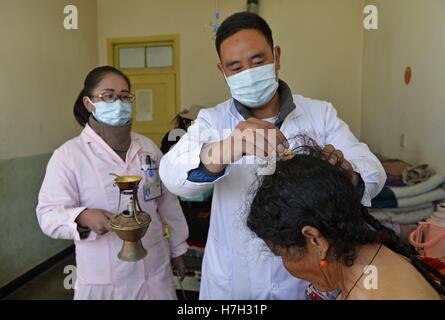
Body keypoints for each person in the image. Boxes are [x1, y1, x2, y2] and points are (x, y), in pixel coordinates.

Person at [159, 12, 386, 299]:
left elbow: (372, 171)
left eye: (257, 61)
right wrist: (225, 149)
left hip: (304, 281)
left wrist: (348, 176)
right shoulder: (212, 121)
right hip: (234, 282)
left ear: (276, 56)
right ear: (222, 71)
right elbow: (172, 175)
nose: (248, 74)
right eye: (235, 67)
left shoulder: (320, 114)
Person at [36, 66, 189, 300]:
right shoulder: (69, 155)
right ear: (89, 103)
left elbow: (167, 202)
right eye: (108, 96)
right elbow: (47, 214)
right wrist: (82, 216)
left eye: (124, 96)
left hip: (155, 270)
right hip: (105, 281)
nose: (118, 102)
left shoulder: (147, 148)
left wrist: (178, 248)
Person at [247, 145, 445, 300]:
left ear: (316, 241)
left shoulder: (373, 292)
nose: (285, 265)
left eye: (280, 253)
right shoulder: (376, 259)